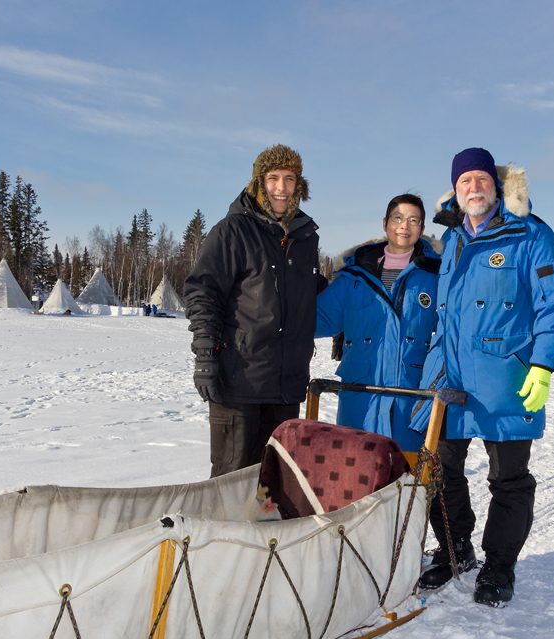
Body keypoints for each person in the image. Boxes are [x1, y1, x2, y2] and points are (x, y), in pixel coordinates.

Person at [410, 148, 554, 607]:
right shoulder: (451, 243)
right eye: (465, 182)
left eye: (481, 179)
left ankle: (499, 566)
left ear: (497, 187)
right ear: (456, 191)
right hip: (449, 380)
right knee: (440, 472)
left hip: (506, 380)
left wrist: (543, 365)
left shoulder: (530, 235)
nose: (474, 188)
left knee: (508, 480)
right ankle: (454, 550)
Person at [184, 144, 322, 478]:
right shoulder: (232, 231)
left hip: (286, 388)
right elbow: (203, 291)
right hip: (239, 383)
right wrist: (205, 355)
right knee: (231, 483)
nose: (281, 187)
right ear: (258, 183)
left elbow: (311, 292)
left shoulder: (305, 238)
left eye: (290, 179)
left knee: (276, 486)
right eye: (273, 178)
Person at [315, 194, 441, 453]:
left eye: (413, 220)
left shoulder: (436, 276)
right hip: (360, 400)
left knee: (407, 486)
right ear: (385, 223)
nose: (404, 226)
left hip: (411, 402)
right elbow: (317, 320)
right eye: (398, 218)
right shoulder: (354, 276)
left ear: (422, 229)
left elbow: (454, 330)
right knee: (356, 483)